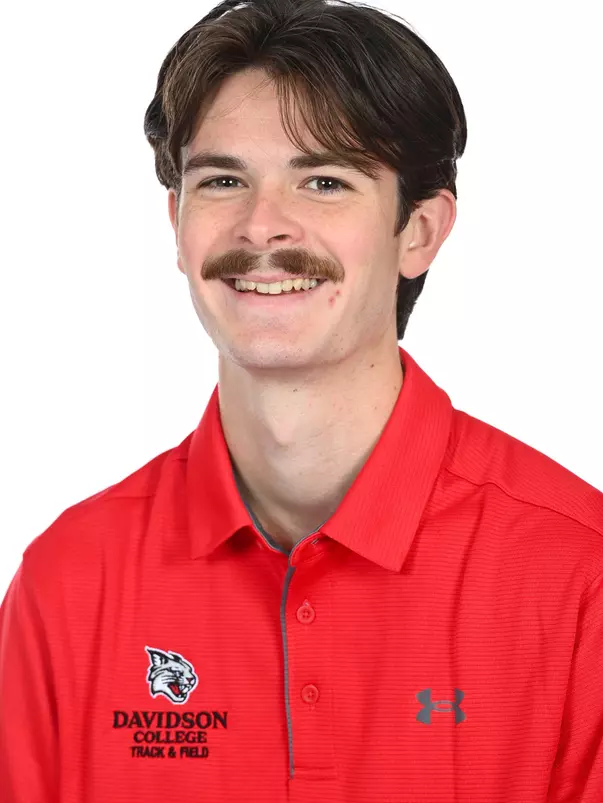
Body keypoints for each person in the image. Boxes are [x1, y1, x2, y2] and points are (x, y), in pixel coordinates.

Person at [1, 0, 602, 800]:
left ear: (418, 232)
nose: (262, 227)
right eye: (222, 180)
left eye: (323, 181)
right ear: (177, 221)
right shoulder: (71, 582)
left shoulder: (574, 576)